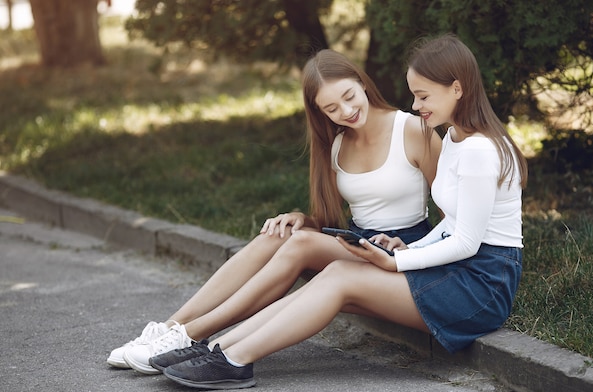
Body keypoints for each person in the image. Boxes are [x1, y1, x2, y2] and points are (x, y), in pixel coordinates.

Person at [153, 33, 529, 390]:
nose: (416, 105)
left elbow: (466, 241)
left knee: (340, 278)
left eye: (423, 95)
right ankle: (218, 349)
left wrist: (395, 263)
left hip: (481, 286)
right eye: (415, 95)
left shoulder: (480, 151)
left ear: (457, 88)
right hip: (455, 271)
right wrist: (406, 249)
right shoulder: (455, 139)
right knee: (336, 273)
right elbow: (452, 224)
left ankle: (234, 359)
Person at [108, 49, 441, 374]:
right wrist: (303, 220)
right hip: (358, 243)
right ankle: (170, 328)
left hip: (403, 251)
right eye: (332, 108)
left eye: (349, 96)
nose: (347, 110)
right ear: (320, 112)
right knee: (279, 234)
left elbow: (451, 214)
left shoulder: (413, 130)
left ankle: (189, 336)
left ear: (362, 82)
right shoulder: (337, 144)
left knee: (299, 243)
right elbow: (331, 221)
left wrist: (416, 253)